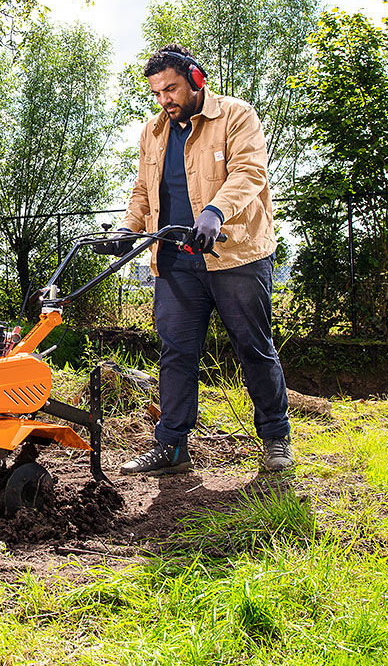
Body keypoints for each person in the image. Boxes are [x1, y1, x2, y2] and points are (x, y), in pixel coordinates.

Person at [96, 43, 293, 474]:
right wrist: (129, 230)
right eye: (157, 93)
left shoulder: (236, 116)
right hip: (174, 260)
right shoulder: (153, 131)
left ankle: (276, 439)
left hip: (234, 255)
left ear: (196, 79)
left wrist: (214, 212)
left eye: (171, 89)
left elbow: (249, 172)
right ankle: (171, 447)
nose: (164, 99)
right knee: (176, 354)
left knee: (253, 348)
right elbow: (145, 191)